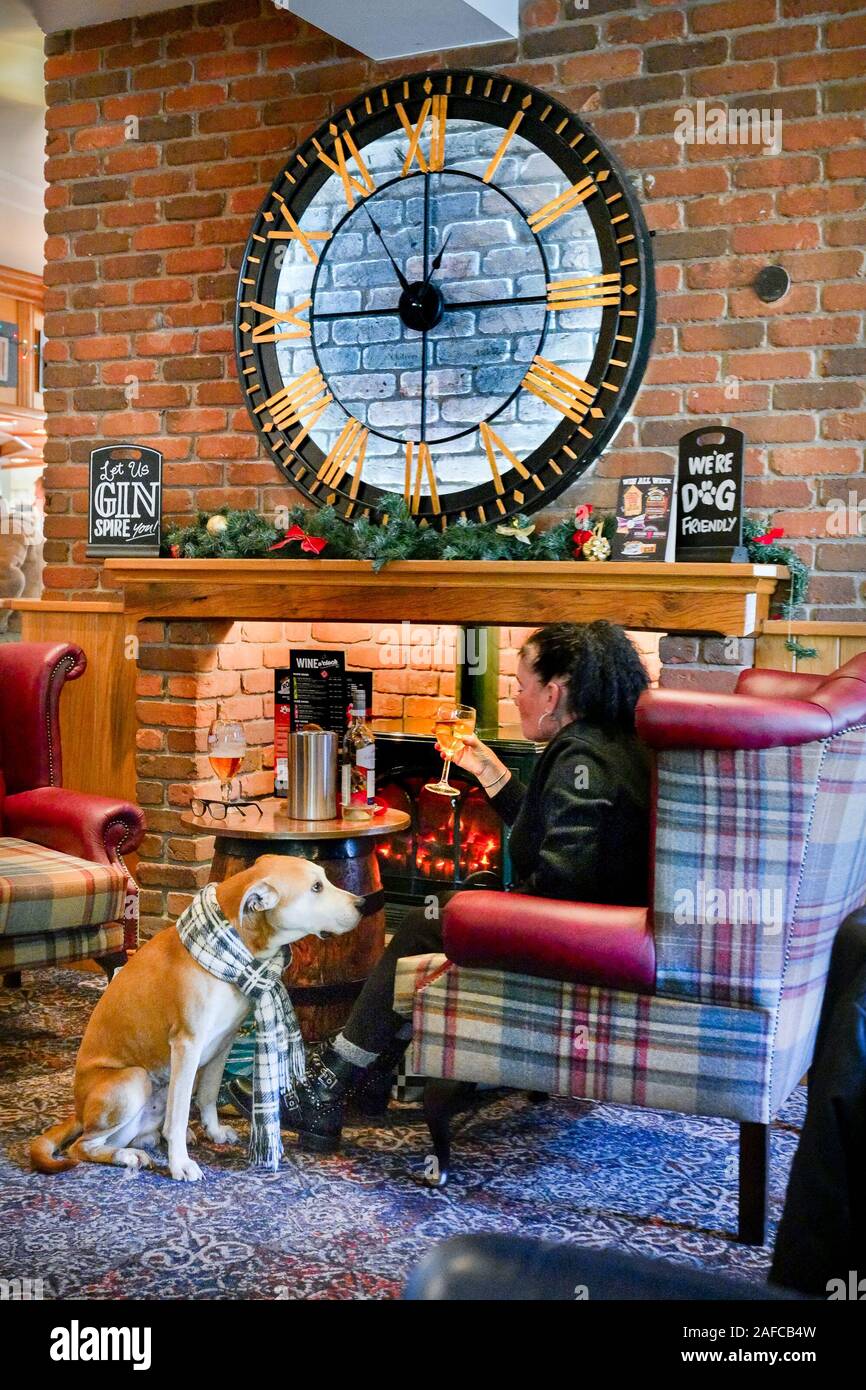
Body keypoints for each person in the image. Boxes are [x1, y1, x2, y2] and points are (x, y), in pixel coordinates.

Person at [228, 620, 652, 1150]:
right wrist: (484, 765)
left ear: (553, 692)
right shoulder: (610, 742)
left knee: (434, 914)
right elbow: (548, 835)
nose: (514, 696)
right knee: (458, 898)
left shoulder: (580, 758)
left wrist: (486, 908)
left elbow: (566, 881)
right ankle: (366, 1075)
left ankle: (332, 1083)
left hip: (582, 941)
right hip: (615, 926)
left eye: (520, 685)